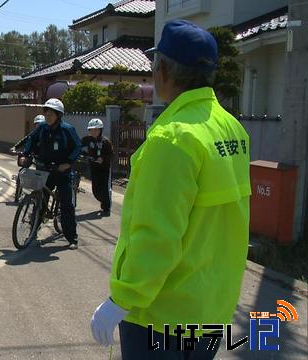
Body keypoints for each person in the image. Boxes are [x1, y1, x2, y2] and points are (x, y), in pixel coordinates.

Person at [90, 19, 251, 359]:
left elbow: (157, 234)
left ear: (162, 68)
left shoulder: (173, 138)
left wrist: (123, 298)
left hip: (162, 316)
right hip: (211, 308)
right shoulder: (232, 129)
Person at [20, 98, 82, 249]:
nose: (48, 115)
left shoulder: (67, 129)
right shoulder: (41, 128)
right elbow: (31, 140)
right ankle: (34, 229)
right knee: (39, 200)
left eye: (51, 113)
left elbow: (77, 146)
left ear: (58, 115)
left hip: (61, 171)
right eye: (46, 112)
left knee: (67, 205)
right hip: (43, 168)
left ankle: (72, 238)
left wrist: (68, 163)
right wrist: (25, 154)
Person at [81, 118, 113, 216]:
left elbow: (111, 154)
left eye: (96, 130)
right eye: (91, 130)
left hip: (105, 169)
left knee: (105, 189)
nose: (94, 132)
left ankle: (106, 207)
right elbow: (78, 145)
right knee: (95, 190)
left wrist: (103, 159)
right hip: (94, 168)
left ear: (100, 130)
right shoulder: (87, 139)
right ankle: (103, 201)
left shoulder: (105, 141)